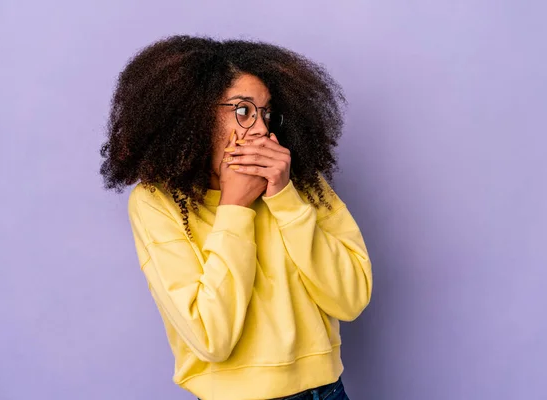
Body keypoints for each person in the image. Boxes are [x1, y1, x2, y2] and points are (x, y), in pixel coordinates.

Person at [99, 35, 372, 400]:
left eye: (266, 113)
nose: (261, 129)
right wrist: (235, 207)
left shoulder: (301, 184)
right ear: (194, 115)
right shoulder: (156, 202)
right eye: (243, 111)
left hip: (325, 393)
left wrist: (285, 198)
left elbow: (350, 299)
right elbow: (212, 337)